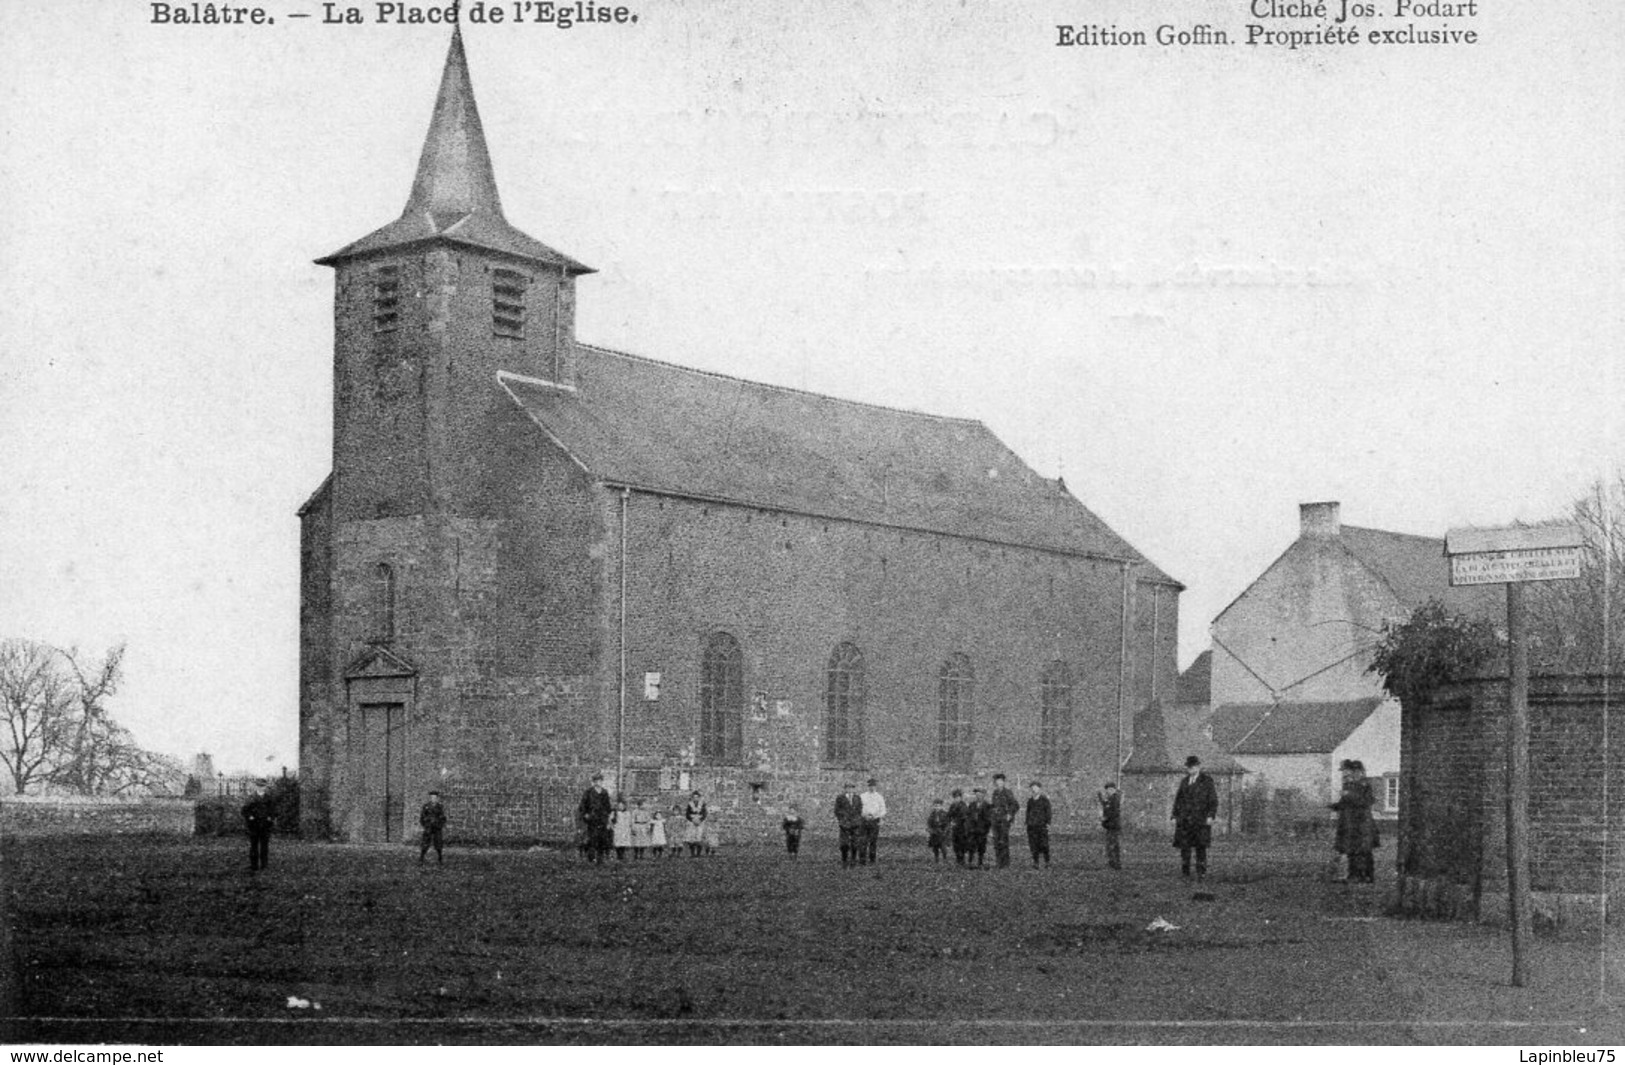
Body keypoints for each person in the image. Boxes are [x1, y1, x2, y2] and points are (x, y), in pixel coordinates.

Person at [1331, 759, 1380, 883]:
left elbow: (1367, 802)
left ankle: (1366, 876)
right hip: (1349, 823)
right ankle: (1353, 875)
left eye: (1350, 772)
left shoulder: (1364, 785)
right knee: (1351, 850)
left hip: (1362, 824)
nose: (1346, 775)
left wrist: (1349, 795)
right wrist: (1333, 806)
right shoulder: (1349, 785)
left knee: (1363, 851)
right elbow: (1344, 804)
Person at [1171, 755, 1219, 880]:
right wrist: (1175, 815)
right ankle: (1185, 872)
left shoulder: (1207, 781)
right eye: (1188, 768)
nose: (1189, 770)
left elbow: (1213, 800)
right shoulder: (1185, 781)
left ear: (1198, 767)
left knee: (1200, 847)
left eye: (1191, 767)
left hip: (1200, 820)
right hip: (1185, 821)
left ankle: (1201, 873)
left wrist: (1210, 816)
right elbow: (1178, 799)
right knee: (1185, 848)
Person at [579, 772, 613, 864]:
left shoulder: (604, 792)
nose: (598, 782)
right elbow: (583, 805)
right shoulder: (588, 792)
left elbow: (608, 806)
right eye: (596, 781)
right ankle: (591, 857)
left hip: (602, 818)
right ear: (594, 782)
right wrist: (585, 814)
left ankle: (600, 857)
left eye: (600, 781)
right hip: (592, 818)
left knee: (602, 838)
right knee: (592, 838)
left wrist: (608, 817)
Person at [989, 773, 1020, 868]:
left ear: (1003, 782)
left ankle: (1005, 862)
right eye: (997, 781)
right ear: (995, 783)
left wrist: (1010, 814)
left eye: (1001, 781)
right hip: (995, 820)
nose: (999, 783)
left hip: (1004, 820)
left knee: (1003, 840)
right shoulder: (995, 793)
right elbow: (994, 806)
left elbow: (1015, 805)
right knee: (996, 841)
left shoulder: (1008, 792)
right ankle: (999, 862)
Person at [242, 781, 274, 873]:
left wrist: (270, 817)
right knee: (254, 846)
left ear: (265, 787)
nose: (261, 788)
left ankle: (264, 865)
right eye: (259, 786)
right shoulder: (251, 798)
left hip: (265, 825)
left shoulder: (269, 798)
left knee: (264, 846)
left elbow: (274, 810)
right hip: (254, 825)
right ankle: (254, 865)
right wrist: (249, 816)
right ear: (256, 786)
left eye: (262, 786)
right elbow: (244, 810)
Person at [834, 783, 864, 867]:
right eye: (848, 788)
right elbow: (837, 810)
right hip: (844, 824)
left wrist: (857, 819)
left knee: (855, 843)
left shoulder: (857, 798)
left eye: (851, 788)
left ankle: (853, 860)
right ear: (845, 789)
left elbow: (860, 809)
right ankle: (844, 860)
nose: (850, 790)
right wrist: (842, 819)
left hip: (855, 824)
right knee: (844, 843)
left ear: (854, 789)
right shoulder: (840, 798)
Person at [859, 777, 887, 864]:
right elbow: (859, 808)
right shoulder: (862, 796)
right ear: (867, 786)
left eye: (873, 786)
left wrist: (876, 815)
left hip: (874, 821)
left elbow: (883, 810)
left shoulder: (879, 797)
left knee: (873, 841)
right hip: (864, 821)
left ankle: (872, 859)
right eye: (870, 786)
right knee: (863, 840)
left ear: (876, 787)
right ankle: (862, 859)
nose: (872, 788)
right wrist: (864, 815)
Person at [1025, 781, 1052, 867]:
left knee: (1044, 844)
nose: (1034, 789)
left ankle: (1047, 861)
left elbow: (1048, 812)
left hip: (1042, 825)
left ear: (1039, 789)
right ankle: (1035, 862)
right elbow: (1028, 812)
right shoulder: (1030, 800)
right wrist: (1027, 822)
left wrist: (1048, 823)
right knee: (1033, 845)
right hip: (1032, 826)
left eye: (1036, 787)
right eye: (1033, 788)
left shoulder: (1044, 800)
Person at [1097, 781, 1122, 870]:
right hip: (1111, 825)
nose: (1107, 792)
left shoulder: (1114, 799)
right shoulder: (1112, 798)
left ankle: (1114, 863)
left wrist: (1105, 819)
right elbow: (1106, 805)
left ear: (1112, 789)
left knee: (1112, 845)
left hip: (1113, 825)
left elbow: (1112, 812)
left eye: (1108, 790)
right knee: (1112, 845)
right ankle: (1114, 863)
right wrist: (1100, 798)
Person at [418, 789, 447, 864]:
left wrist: (439, 825)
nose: (433, 799)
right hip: (428, 827)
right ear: (430, 798)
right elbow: (422, 817)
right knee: (425, 843)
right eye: (432, 797)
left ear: (437, 798)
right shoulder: (426, 806)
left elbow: (443, 818)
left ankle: (440, 858)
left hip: (437, 827)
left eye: (435, 797)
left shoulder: (440, 807)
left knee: (438, 843)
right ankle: (421, 858)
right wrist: (426, 825)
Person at [966, 786, 992, 867]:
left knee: (981, 847)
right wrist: (969, 827)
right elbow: (968, 816)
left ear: (984, 795)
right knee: (971, 846)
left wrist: (986, 829)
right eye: (977, 794)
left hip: (982, 830)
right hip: (972, 830)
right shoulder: (972, 805)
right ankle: (970, 862)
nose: (978, 796)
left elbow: (989, 819)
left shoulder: (987, 805)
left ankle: (980, 862)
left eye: (980, 794)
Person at [947, 788, 970, 865]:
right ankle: (958, 859)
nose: (957, 799)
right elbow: (949, 815)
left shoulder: (963, 806)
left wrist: (956, 822)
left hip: (962, 828)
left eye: (958, 797)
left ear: (960, 797)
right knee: (955, 844)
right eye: (955, 797)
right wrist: (950, 822)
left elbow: (964, 817)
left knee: (961, 844)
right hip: (955, 829)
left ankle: (962, 860)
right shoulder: (952, 806)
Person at [683, 790, 708, 857]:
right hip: (692, 822)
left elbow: (704, 813)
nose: (695, 798)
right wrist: (692, 820)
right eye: (694, 797)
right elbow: (687, 814)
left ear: (699, 798)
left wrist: (700, 820)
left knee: (699, 837)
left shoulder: (702, 804)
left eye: (697, 797)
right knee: (691, 839)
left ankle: (698, 853)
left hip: (700, 822)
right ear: (692, 798)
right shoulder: (690, 804)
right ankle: (692, 853)